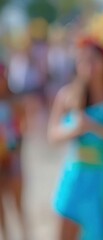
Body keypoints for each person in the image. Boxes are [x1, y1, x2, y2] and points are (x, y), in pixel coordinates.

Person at [48, 37, 103, 240]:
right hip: (79, 176)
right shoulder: (68, 95)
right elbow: (53, 134)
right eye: (82, 60)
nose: (88, 66)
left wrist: (93, 127)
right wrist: (74, 128)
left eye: (93, 59)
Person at [0, 61, 26, 240]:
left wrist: (12, 148)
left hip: (12, 157)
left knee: (18, 203)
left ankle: (25, 235)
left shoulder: (14, 101)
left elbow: (22, 129)